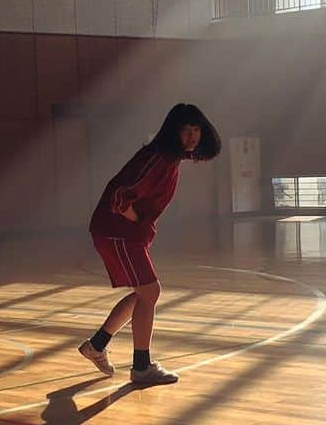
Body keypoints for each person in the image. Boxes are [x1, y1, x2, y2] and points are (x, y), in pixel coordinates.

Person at [78, 103, 222, 386]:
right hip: (117, 231)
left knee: (144, 294)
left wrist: (141, 225)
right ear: (174, 131)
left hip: (123, 233)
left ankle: (96, 346)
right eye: (186, 130)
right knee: (150, 292)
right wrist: (139, 221)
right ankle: (141, 367)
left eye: (197, 130)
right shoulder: (159, 158)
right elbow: (120, 197)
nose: (192, 136)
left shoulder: (169, 159)